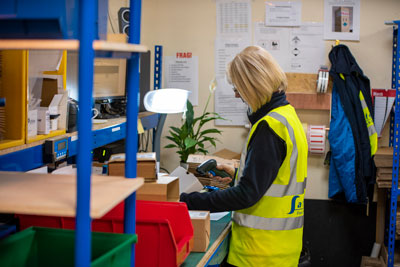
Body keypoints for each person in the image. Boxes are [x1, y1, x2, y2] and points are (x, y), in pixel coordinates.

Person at [180, 45, 308, 267]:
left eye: (238, 88)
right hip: (282, 250)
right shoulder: (288, 117)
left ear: (253, 86)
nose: (237, 95)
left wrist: (186, 201)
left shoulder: (269, 126)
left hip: (258, 253)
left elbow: (247, 195)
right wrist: (239, 174)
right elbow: (277, 178)